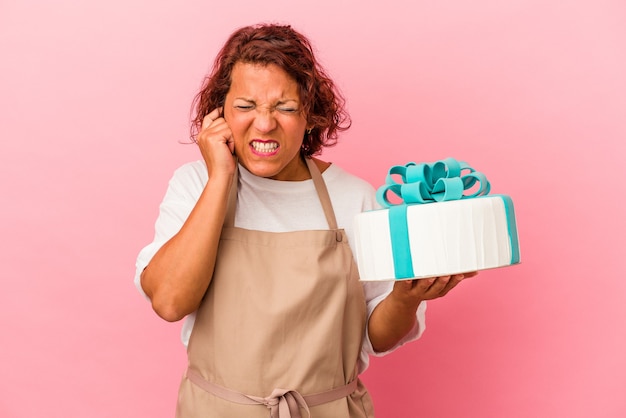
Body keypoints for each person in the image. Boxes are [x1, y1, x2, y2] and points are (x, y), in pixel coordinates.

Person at [134, 23, 475, 418]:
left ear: (311, 115)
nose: (264, 124)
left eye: (285, 107)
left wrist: (406, 296)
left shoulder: (355, 197)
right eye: (245, 106)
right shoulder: (195, 184)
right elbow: (171, 301)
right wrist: (221, 177)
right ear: (221, 112)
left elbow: (377, 337)